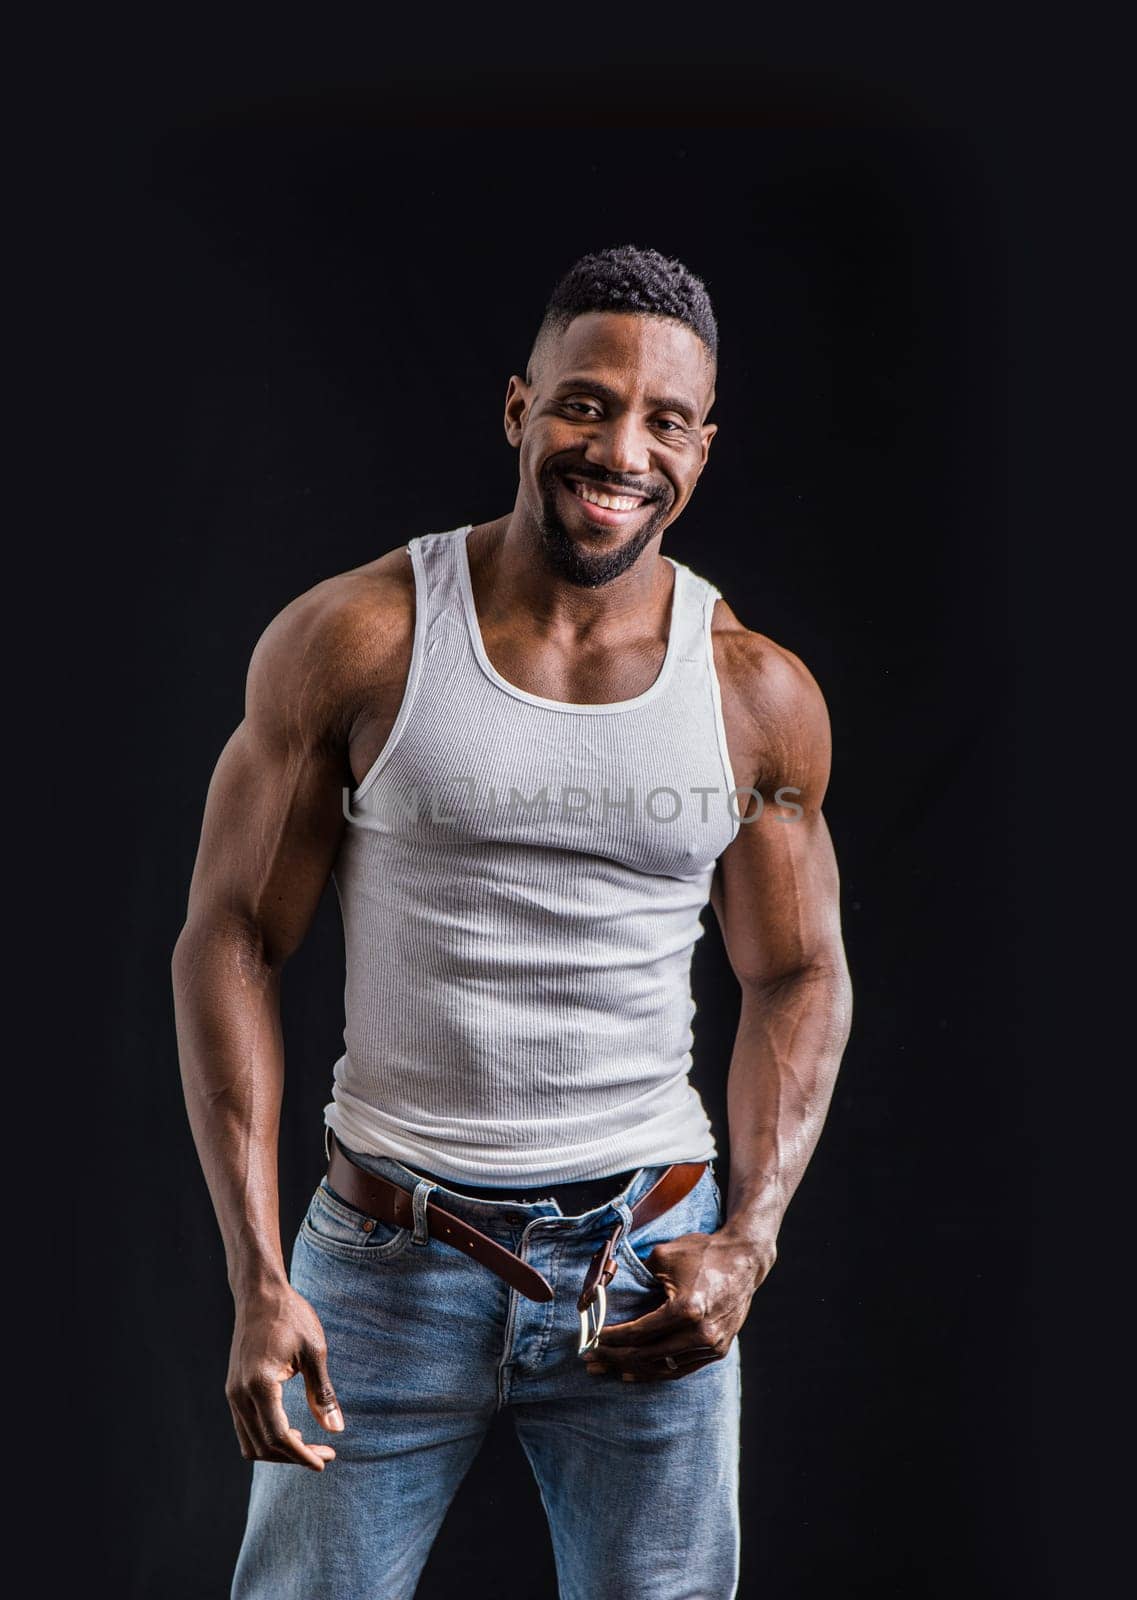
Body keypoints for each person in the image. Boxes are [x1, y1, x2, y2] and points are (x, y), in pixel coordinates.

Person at [172, 244, 853, 1600]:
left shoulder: (753, 692)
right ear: (518, 411)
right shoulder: (358, 639)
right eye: (586, 402)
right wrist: (258, 1274)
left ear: (700, 453)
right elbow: (233, 939)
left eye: (665, 420)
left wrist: (750, 1239)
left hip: (651, 1260)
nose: (620, 447)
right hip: (379, 1265)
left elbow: (797, 972)